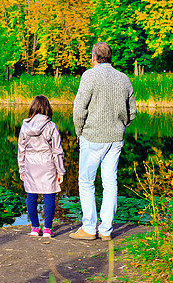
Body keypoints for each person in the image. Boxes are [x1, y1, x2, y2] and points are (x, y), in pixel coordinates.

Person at [69, 42, 136, 241]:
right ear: (110, 57)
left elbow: (79, 109)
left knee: (87, 182)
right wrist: (121, 126)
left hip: (92, 136)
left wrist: (79, 132)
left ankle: (89, 228)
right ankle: (105, 230)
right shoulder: (124, 79)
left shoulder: (89, 76)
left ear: (94, 58)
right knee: (110, 182)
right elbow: (132, 111)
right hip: (115, 138)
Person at [18, 95, 65, 238]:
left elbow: (21, 150)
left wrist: (21, 169)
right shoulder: (51, 126)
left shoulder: (25, 125)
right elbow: (57, 150)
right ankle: (47, 229)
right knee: (49, 196)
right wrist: (60, 171)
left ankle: (34, 227)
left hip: (31, 164)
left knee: (31, 196)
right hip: (47, 164)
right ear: (47, 108)